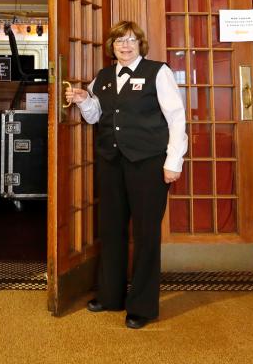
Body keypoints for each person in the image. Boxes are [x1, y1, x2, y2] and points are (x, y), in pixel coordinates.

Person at [64, 21, 187, 329]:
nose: (125, 45)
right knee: (112, 229)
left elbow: (176, 117)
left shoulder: (158, 72)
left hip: (148, 162)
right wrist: (83, 100)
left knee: (146, 234)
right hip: (112, 162)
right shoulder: (103, 78)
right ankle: (110, 295)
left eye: (131, 40)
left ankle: (143, 306)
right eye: (120, 40)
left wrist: (174, 161)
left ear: (140, 44)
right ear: (113, 46)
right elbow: (96, 116)